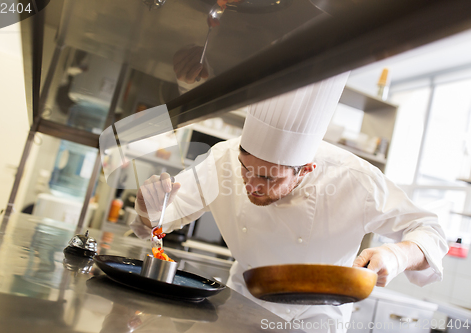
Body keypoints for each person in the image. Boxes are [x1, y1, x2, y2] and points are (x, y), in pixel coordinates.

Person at [130, 72, 448, 333]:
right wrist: (148, 210)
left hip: (317, 321)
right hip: (238, 307)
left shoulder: (354, 178)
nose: (251, 184)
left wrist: (396, 255)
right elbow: (158, 223)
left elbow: (430, 230)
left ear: (305, 170)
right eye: (246, 167)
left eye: (269, 178)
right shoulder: (223, 158)